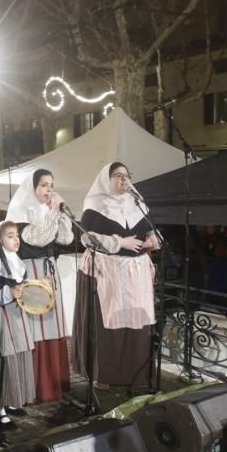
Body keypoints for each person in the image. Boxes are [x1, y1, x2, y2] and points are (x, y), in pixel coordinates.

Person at [72, 162, 159, 391]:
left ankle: (136, 374)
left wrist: (152, 239)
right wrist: (121, 242)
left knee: (137, 323)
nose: (123, 180)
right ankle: (106, 375)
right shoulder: (95, 205)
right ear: (107, 179)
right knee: (109, 322)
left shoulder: (137, 203)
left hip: (136, 271)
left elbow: (151, 230)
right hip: (107, 269)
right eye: (118, 176)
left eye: (126, 176)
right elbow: (87, 239)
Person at [6, 169, 74, 402]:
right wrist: (53, 213)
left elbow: (66, 239)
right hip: (29, 270)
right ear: (32, 187)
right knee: (35, 324)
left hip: (48, 269)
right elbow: (37, 238)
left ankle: (56, 382)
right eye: (44, 185)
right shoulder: (19, 210)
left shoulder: (49, 210)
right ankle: (35, 386)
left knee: (52, 323)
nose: (49, 190)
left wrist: (60, 213)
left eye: (51, 185)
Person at [0, 221, 36, 426]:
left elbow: (23, 289)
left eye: (17, 235)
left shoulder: (17, 263)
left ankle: (12, 400)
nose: (17, 240)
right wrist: (8, 293)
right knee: (2, 360)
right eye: (10, 236)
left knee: (17, 358)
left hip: (16, 317)